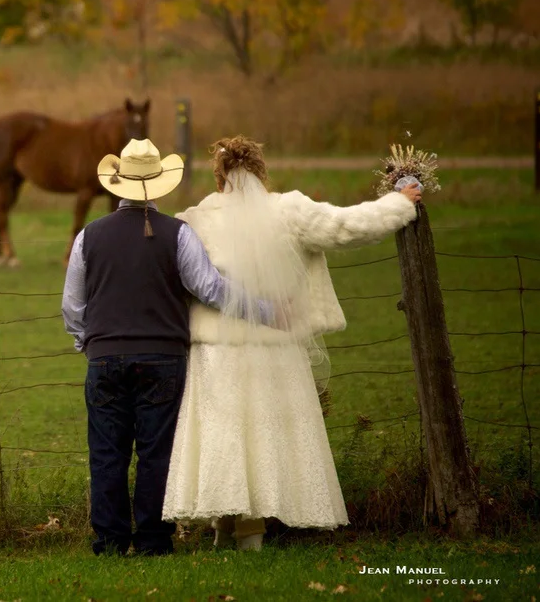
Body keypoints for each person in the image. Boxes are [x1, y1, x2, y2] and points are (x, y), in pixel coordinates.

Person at [161, 135, 422, 551]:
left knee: (225, 432)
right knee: (265, 432)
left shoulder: (194, 218)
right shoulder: (289, 210)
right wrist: (400, 203)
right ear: (261, 171)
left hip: (216, 349)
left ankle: (224, 530)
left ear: (220, 176)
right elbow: (346, 226)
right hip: (275, 342)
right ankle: (251, 532)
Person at [61, 138, 282, 557]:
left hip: (104, 358)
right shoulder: (178, 234)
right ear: (159, 186)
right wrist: (267, 310)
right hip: (163, 359)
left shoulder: (88, 236)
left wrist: (87, 343)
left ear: (117, 185)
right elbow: (211, 289)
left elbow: (72, 306)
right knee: (156, 452)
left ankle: (108, 542)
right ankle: (152, 540)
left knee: (106, 452)